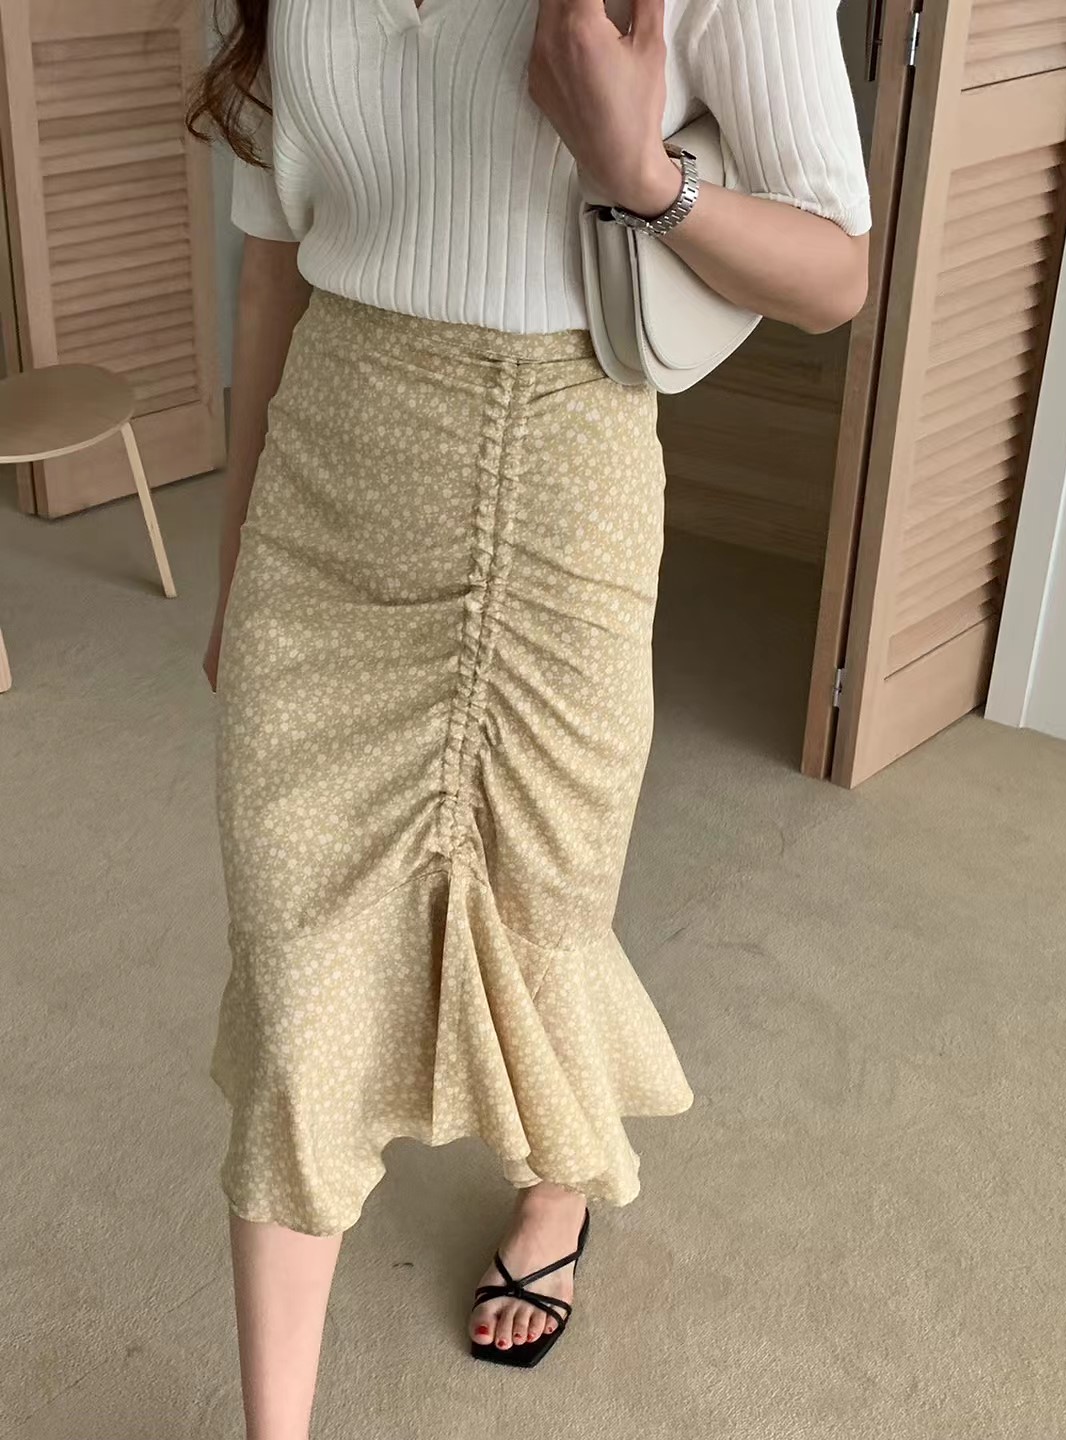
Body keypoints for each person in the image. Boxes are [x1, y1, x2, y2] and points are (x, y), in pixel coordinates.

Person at [189, 0, 869, 1428]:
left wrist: (642, 175)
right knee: (296, 960)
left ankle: (555, 1193)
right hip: (328, 495)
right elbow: (269, 272)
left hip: (563, 483)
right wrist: (241, 559)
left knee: (545, 903)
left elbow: (833, 275)